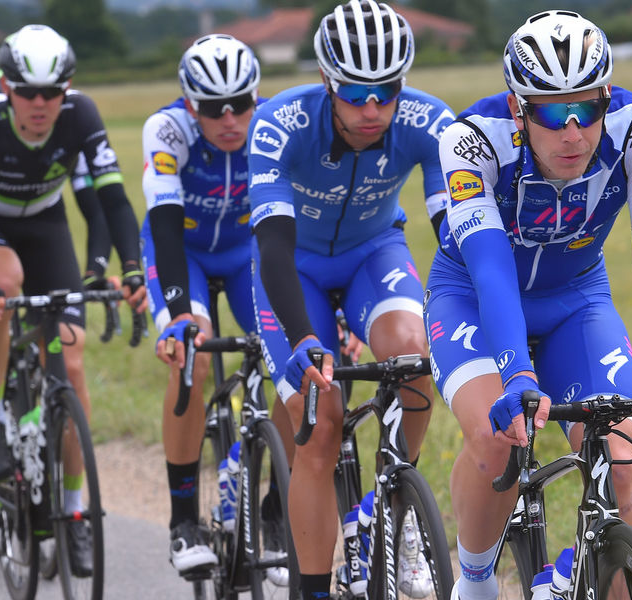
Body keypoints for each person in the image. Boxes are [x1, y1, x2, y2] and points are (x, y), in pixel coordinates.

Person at [426, 10, 632, 599]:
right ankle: (476, 582)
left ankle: (578, 569)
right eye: (554, 113)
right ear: (517, 108)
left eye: (589, 108)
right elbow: (492, 271)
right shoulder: (471, 138)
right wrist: (518, 373)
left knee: (623, 466)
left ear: (608, 97)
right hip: (473, 298)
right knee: (497, 437)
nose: (575, 132)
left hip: (576, 298)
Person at [247, 1, 455, 598]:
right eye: (356, 93)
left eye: (386, 92)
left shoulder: (428, 121)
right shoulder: (279, 124)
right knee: (319, 425)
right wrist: (303, 337)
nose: (372, 109)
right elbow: (274, 248)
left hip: (374, 253)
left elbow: (455, 235)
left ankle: (391, 511)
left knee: (416, 353)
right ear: (326, 81)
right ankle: (314, 587)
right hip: (295, 267)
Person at [0, 24, 146, 573]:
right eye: (27, 92)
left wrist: (129, 267)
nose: (39, 104)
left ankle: (77, 515)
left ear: (67, 89)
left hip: (45, 224)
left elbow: (111, 199)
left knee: (72, 367)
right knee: (4, 284)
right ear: (7, 88)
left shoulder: (81, 116)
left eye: (50, 93)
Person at [141, 34, 277, 577]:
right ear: (187, 102)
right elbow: (166, 232)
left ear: (256, 96)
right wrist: (178, 316)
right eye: (211, 109)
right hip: (185, 252)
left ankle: (274, 513)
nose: (228, 120)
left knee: (293, 357)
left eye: (240, 104)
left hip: (246, 251)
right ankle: (182, 523)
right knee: (193, 356)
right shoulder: (166, 130)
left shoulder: (273, 124)